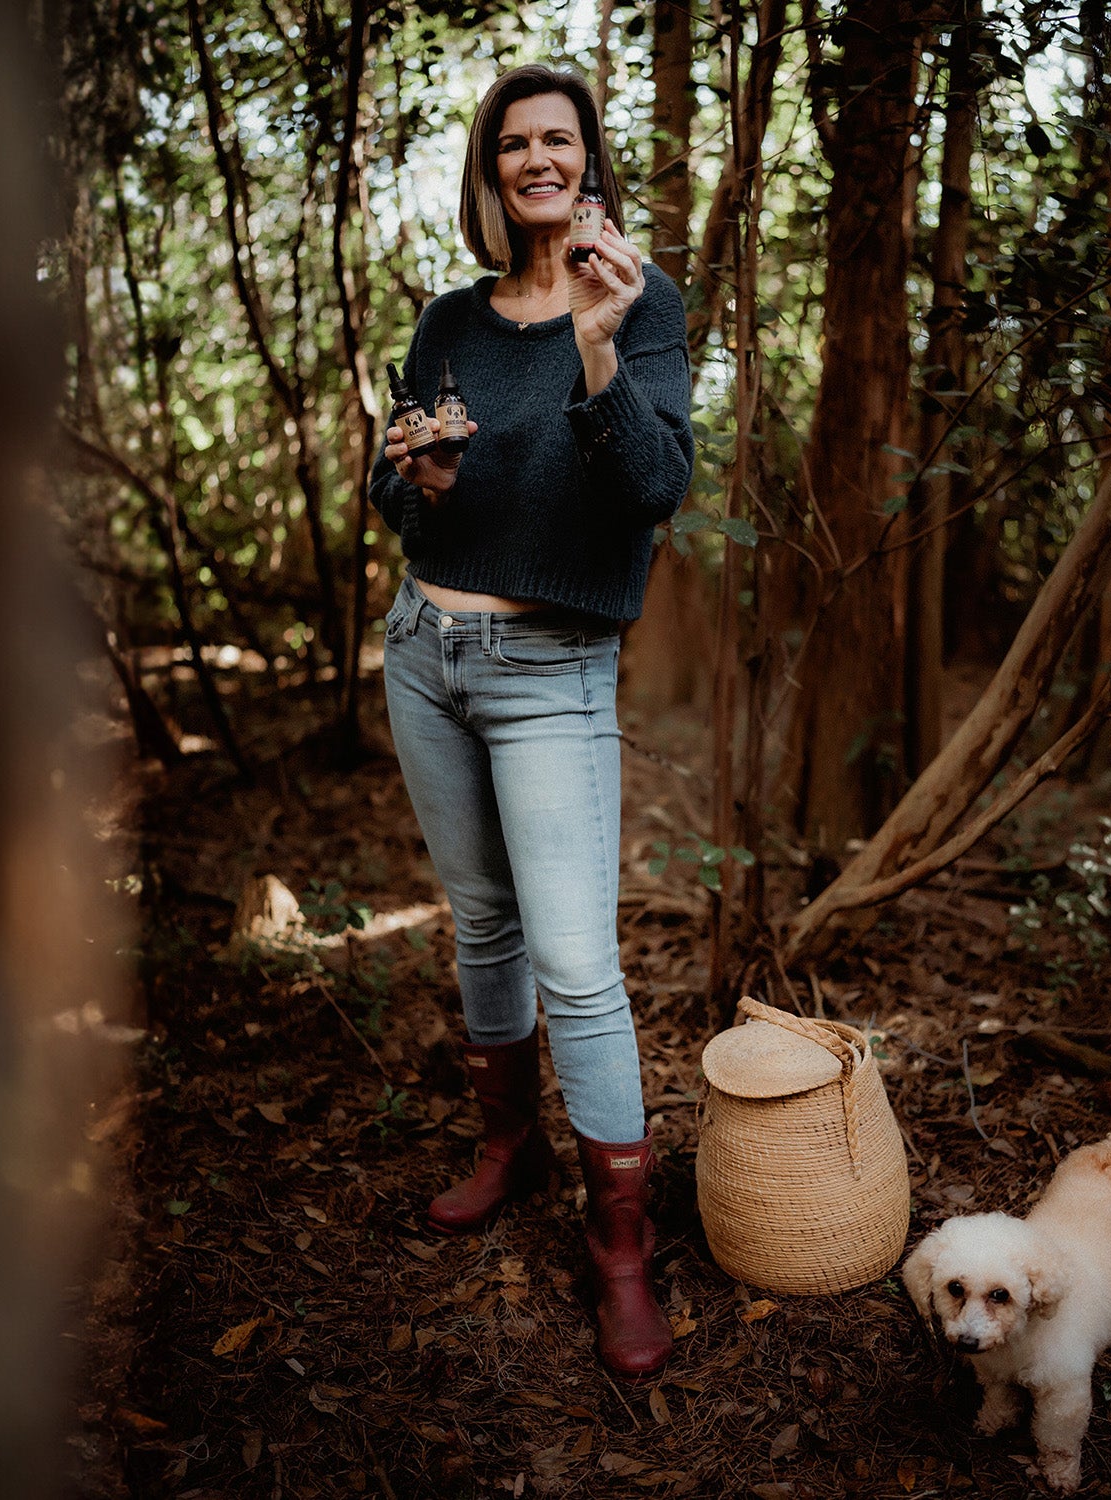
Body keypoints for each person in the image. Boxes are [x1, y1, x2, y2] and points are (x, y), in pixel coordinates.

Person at [367, 64, 693, 1380]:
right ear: (492, 169)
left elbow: (657, 485)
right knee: (485, 924)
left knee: (577, 965)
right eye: (516, 143)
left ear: (588, 158)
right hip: (423, 651)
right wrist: (424, 476)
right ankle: (505, 1144)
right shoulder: (451, 316)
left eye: (559, 139)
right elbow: (398, 499)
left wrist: (601, 348)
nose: (538, 160)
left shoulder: (641, 297)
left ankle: (622, 1248)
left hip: (553, 668)